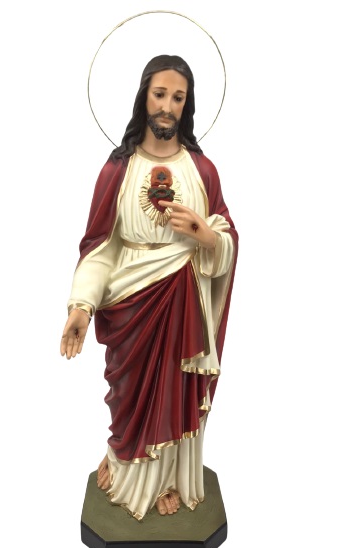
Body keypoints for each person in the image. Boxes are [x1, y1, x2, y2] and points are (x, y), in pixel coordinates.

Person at [60, 54, 238, 520]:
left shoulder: (202, 170)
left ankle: (169, 480)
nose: (167, 106)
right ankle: (123, 461)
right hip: (132, 303)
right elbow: (100, 248)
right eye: (160, 94)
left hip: (184, 303)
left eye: (178, 98)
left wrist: (205, 235)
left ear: (187, 105)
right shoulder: (118, 170)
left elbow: (226, 239)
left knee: (176, 394)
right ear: (143, 97)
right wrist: (81, 306)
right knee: (131, 396)